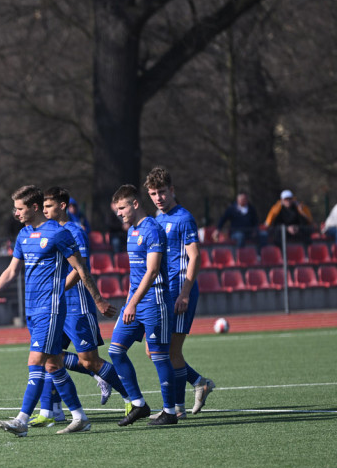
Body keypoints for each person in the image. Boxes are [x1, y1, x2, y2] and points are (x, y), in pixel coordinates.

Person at [0, 185, 115, 437]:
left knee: (35, 361)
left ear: (34, 207)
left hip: (51, 308)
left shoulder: (59, 233)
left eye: (19, 208)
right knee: (53, 365)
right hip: (32, 308)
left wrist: (98, 300)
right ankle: (80, 417)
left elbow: (81, 269)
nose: (15, 213)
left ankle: (22, 420)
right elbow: (11, 271)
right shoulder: (23, 235)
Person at [31, 187, 128, 427]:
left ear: (62, 206)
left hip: (77, 305)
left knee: (90, 361)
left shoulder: (75, 231)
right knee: (46, 357)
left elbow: (79, 269)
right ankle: (49, 411)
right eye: (43, 207)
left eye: (49, 206)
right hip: (58, 306)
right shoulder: (48, 231)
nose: (44, 211)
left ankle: (131, 398)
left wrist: (55, 289)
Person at [106, 184, 179, 427]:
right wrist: (130, 302)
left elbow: (152, 270)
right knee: (115, 350)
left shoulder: (153, 229)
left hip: (155, 301)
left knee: (159, 356)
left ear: (135, 204)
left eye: (122, 207)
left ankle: (170, 412)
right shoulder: (132, 231)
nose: (119, 213)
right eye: (117, 209)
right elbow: (135, 274)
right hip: (135, 303)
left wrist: (132, 304)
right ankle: (139, 404)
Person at [145, 166, 216, 418]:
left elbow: (195, 257)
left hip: (180, 293)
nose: (158, 198)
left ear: (172, 190)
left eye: (162, 192)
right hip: (165, 293)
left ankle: (176, 409)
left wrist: (185, 293)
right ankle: (198, 383)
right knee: (154, 350)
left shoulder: (183, 218)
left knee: (170, 352)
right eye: (153, 193)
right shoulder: (157, 217)